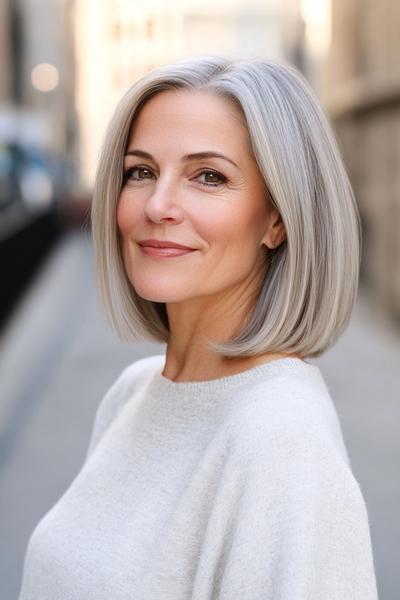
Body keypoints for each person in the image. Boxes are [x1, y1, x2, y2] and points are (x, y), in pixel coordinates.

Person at [18, 56, 378, 599]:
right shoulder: (135, 393)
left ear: (278, 219)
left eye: (209, 177)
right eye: (140, 171)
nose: (158, 205)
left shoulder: (282, 440)